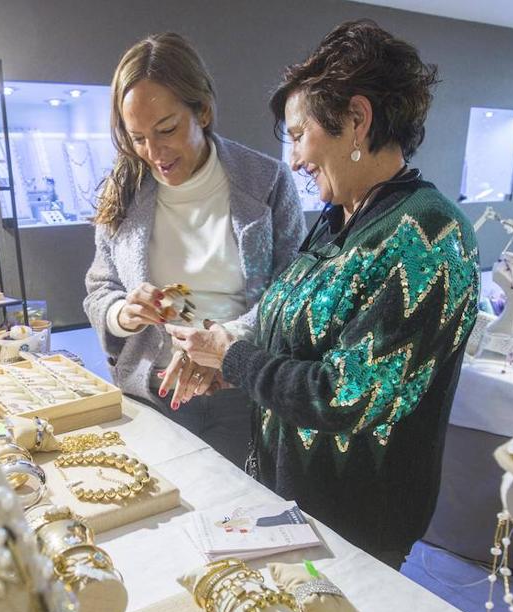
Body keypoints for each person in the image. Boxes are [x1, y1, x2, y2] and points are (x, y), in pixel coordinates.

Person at [163, 20, 480, 568]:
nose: (292, 160)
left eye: (296, 134)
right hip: (292, 502)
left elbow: (346, 396)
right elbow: (286, 325)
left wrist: (233, 357)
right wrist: (220, 355)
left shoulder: (428, 234)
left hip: (356, 523)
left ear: (356, 120)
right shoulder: (339, 217)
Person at [83, 32, 305, 468]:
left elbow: (290, 295)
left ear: (202, 111)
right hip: (151, 389)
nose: (154, 153)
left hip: (238, 391)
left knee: (234, 518)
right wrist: (122, 314)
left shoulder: (267, 181)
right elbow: (99, 288)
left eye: (166, 129)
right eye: (137, 138)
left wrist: (222, 347)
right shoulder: (124, 190)